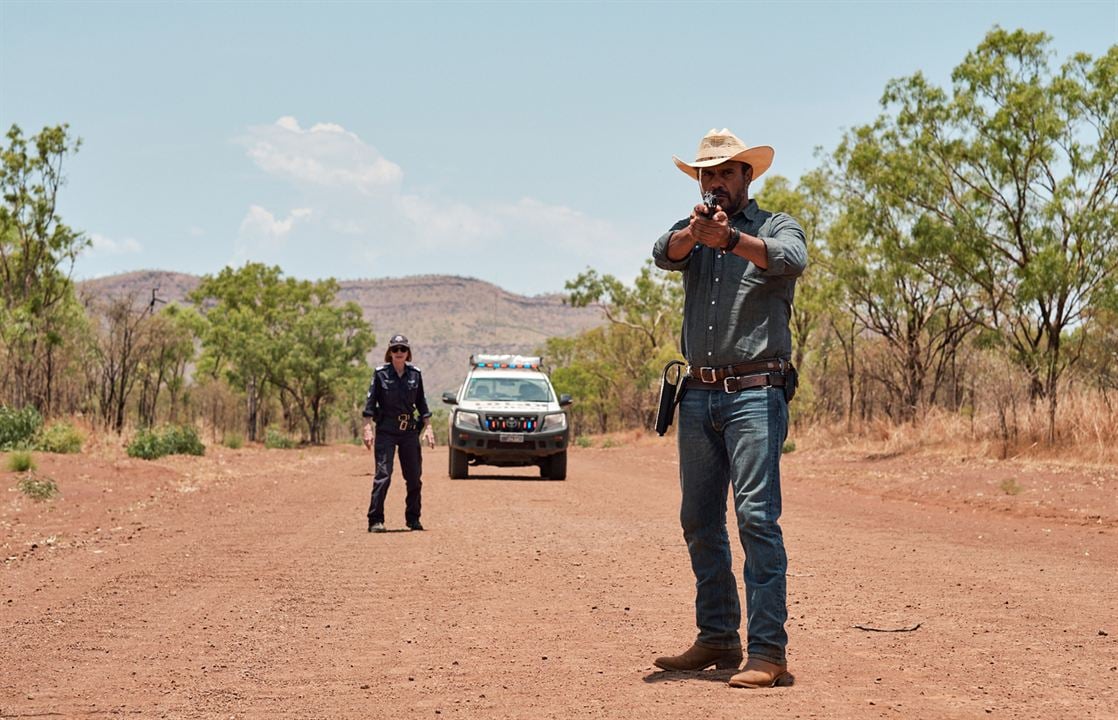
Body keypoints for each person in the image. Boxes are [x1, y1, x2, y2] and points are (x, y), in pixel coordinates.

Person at [651, 128, 807, 689]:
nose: (715, 182)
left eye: (725, 173)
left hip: (756, 394)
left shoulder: (774, 225)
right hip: (698, 394)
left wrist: (730, 241)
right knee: (699, 519)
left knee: (756, 519)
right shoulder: (691, 228)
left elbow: (792, 258)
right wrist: (697, 235)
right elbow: (661, 253)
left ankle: (768, 652)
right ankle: (717, 637)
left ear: (747, 176)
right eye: (707, 173)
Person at [362, 333, 435, 533]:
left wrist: (428, 427)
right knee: (383, 475)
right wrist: (367, 428)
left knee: (413, 477)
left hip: (409, 432)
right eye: (395, 349)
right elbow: (370, 404)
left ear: (408, 352)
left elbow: (422, 404)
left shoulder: (415, 374)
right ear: (390, 352)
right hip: (386, 430)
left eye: (403, 349)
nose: (399, 353)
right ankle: (375, 519)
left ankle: (413, 518)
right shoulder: (380, 374)